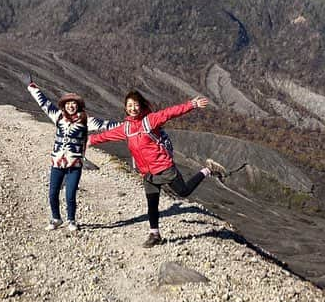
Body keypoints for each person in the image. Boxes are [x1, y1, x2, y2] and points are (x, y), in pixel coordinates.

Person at [89, 90, 227, 247]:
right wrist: (91, 140)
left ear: (141, 106)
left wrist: (192, 104)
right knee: (152, 204)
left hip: (163, 166)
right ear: (125, 108)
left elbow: (170, 113)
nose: (133, 108)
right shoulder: (126, 128)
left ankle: (207, 169)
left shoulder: (150, 120)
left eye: (135, 105)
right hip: (147, 173)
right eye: (129, 106)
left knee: (183, 192)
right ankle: (154, 234)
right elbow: (108, 135)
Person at [27, 76, 118, 232]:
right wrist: (33, 88)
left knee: (70, 194)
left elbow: (106, 125)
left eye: (73, 104)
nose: (71, 106)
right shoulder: (58, 117)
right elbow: (44, 103)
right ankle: (56, 218)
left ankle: (71, 220)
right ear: (64, 105)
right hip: (57, 162)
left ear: (78, 106)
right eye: (68, 103)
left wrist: (129, 125)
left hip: (75, 164)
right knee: (53, 192)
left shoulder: (86, 121)